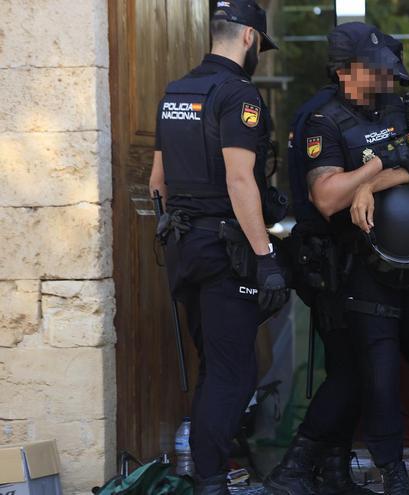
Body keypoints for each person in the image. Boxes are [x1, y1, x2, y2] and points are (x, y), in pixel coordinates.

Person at [269, 22, 409, 495]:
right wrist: (386, 162)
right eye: (372, 68)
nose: (383, 75)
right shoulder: (324, 120)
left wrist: (383, 177)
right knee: (373, 376)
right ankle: (390, 474)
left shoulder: (398, 106)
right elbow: (329, 198)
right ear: (344, 72)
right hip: (360, 265)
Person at [148, 1, 288, 494]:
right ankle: (210, 480)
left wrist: (175, 233)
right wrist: (266, 258)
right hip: (226, 251)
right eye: (259, 46)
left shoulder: (175, 92)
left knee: (215, 365)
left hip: (186, 249)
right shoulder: (238, 95)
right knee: (236, 372)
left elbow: (157, 182)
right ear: (249, 37)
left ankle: (208, 471)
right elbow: (239, 180)